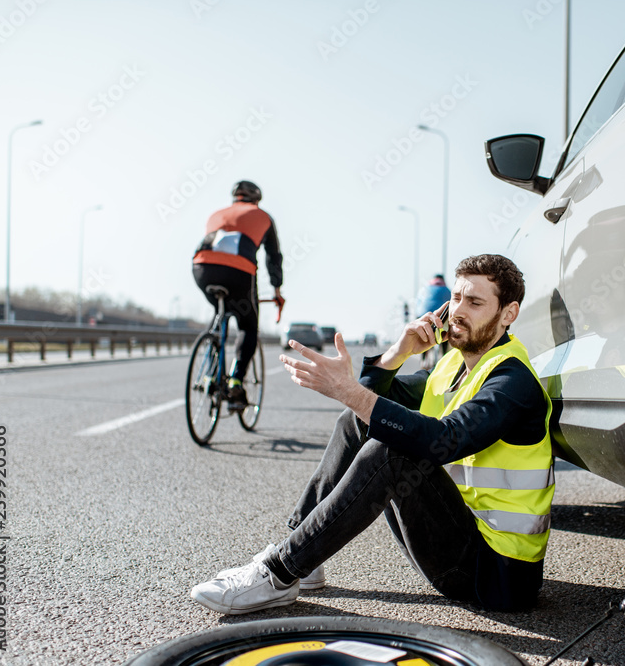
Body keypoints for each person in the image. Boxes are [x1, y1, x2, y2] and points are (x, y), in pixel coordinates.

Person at [190, 254, 553, 615]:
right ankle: (302, 553)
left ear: (508, 314)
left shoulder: (513, 380)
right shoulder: (452, 367)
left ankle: (279, 573)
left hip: (497, 575)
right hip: (456, 541)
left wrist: (348, 390)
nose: (458, 310)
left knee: (391, 454)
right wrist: (399, 352)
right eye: (455, 298)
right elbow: (369, 407)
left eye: (474, 302)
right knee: (359, 419)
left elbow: (447, 439)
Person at [192, 180, 283, 410]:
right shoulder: (263, 216)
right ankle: (235, 380)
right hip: (239, 272)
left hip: (202, 268)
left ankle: (210, 374)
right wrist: (277, 290)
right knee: (248, 326)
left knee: (220, 312)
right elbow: (273, 257)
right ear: (256, 200)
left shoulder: (217, 214)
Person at [416, 274, 451, 370]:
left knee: (425, 337)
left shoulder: (425, 289)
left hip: (424, 314)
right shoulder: (447, 289)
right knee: (444, 335)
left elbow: (418, 304)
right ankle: (443, 356)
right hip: (440, 316)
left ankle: (423, 359)